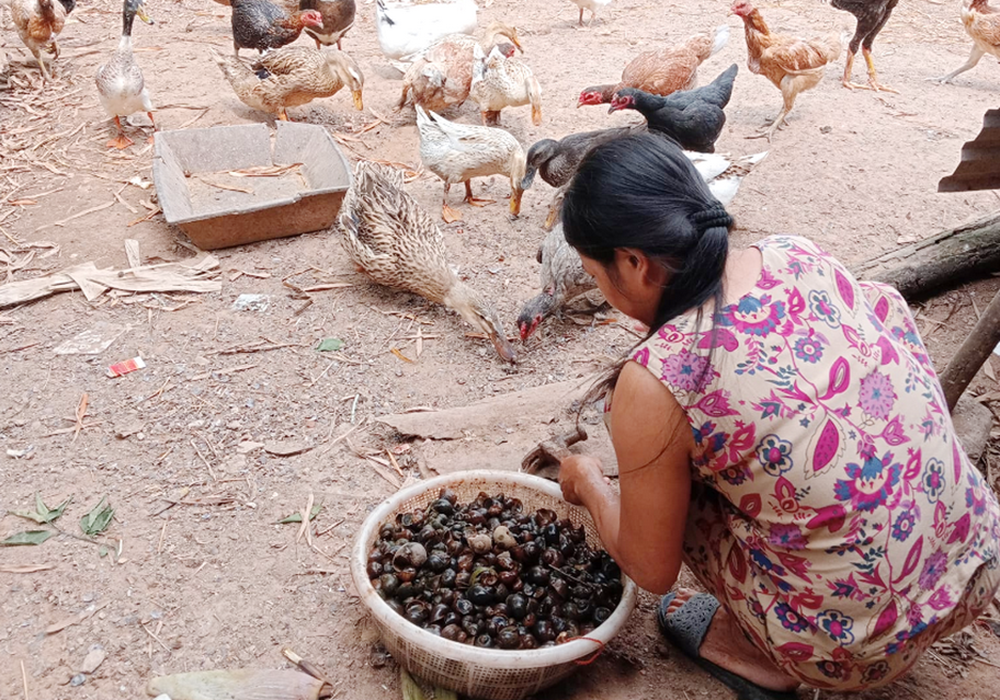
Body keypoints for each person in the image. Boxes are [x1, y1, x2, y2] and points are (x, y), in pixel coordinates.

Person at [554, 132, 1000, 697]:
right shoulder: (794, 252)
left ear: (635, 263)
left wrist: (590, 484)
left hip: (856, 652)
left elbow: (651, 569)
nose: (603, 290)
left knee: (669, 490)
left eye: (597, 277)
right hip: (977, 561)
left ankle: (757, 654)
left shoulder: (659, 378)